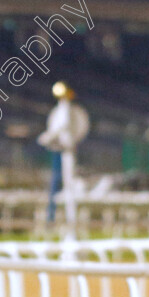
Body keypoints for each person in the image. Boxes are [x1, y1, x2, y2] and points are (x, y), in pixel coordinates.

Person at [38, 81, 90, 235]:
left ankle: (67, 220)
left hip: (65, 149)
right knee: (57, 183)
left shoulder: (66, 110)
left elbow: (62, 127)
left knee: (65, 184)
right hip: (59, 149)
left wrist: (48, 137)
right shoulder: (61, 109)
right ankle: (56, 218)